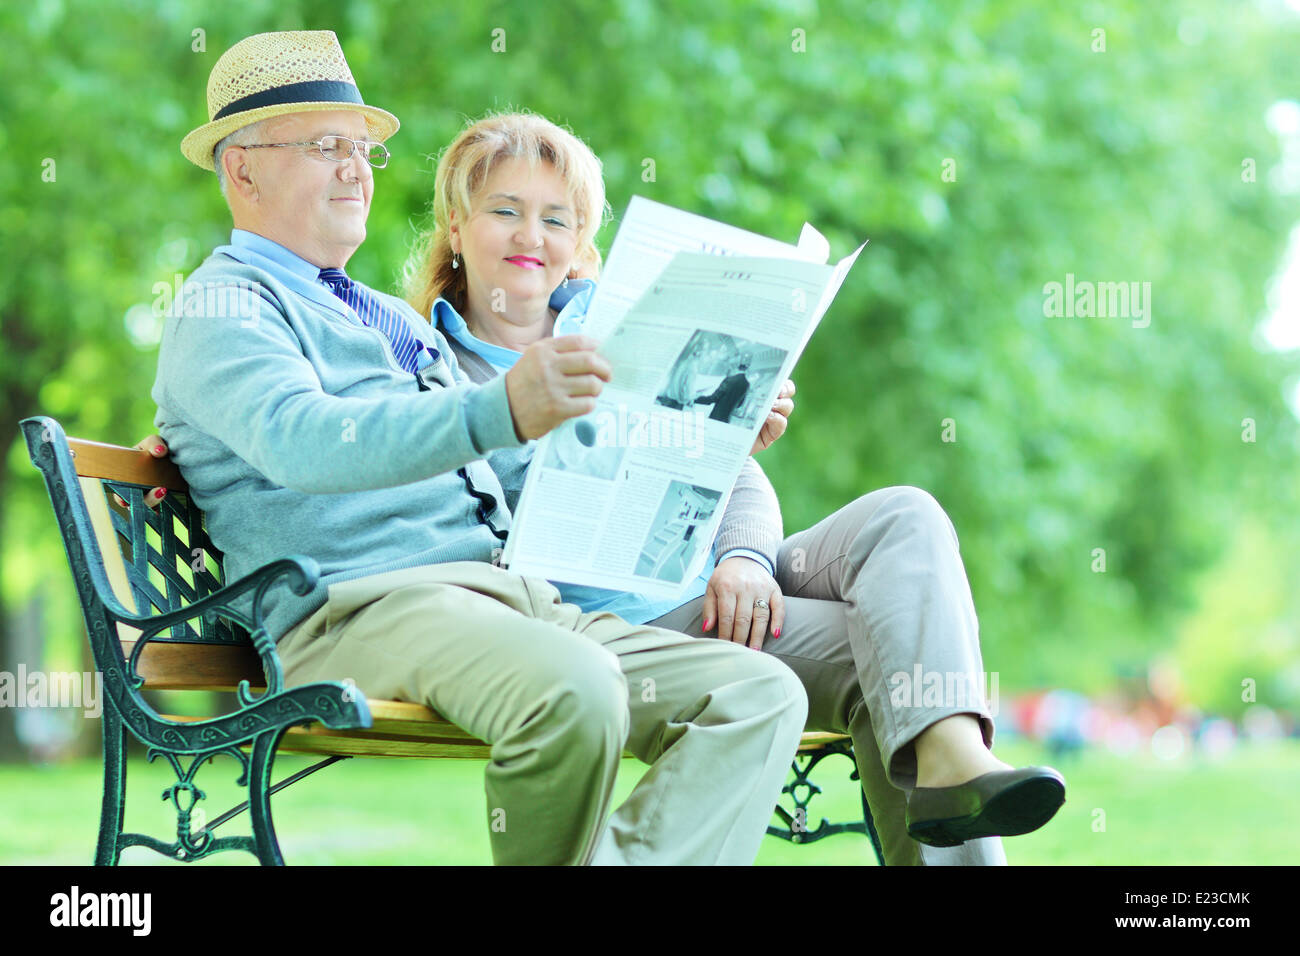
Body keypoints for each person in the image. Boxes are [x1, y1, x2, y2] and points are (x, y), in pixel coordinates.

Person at [150, 30, 810, 866]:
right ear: (240, 170)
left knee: (755, 694)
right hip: (361, 609)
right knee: (576, 690)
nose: (356, 169)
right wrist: (499, 406)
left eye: (362, 150)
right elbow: (302, 441)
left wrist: (705, 430)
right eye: (325, 147)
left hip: (508, 597)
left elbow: (516, 466)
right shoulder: (223, 304)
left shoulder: (378, 317)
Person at [401, 111, 1067, 864]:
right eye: (505, 211)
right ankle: (947, 768)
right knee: (886, 659)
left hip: (724, 592)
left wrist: (743, 540)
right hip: (616, 630)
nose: (532, 236)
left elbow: (739, 481)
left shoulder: (618, 326)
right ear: (457, 227)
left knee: (906, 519)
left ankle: (952, 761)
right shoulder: (428, 365)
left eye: (556, 218)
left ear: (580, 243)